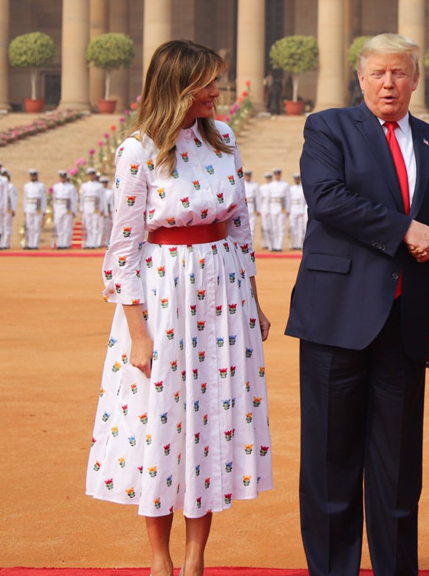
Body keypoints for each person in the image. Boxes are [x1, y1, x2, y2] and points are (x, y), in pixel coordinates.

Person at [86, 38, 272, 576]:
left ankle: (196, 559)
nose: (218, 91)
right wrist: (137, 332)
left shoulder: (225, 140)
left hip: (224, 292)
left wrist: (254, 301)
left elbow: (240, 226)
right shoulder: (138, 149)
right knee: (162, 422)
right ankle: (159, 560)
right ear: (179, 86)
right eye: (209, 82)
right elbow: (122, 247)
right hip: (165, 293)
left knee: (212, 416)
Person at [285, 32, 429, 576]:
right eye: (378, 73)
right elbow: (329, 200)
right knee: (330, 461)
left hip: (407, 323)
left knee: (398, 468)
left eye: (399, 73)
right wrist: (403, 229)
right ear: (360, 78)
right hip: (337, 316)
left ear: (415, 79)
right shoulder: (329, 128)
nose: (389, 83)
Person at [264, 169, 289, 252]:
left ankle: (280, 246)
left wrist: (288, 210)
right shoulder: (270, 185)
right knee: (273, 228)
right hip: (272, 207)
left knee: (281, 227)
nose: (277, 176)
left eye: (278, 174)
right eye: (276, 174)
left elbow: (288, 198)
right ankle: (274, 245)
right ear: (274, 175)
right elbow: (267, 199)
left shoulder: (285, 184)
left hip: (281, 207)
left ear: (280, 175)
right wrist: (267, 210)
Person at [51, 170, 77, 249]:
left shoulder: (71, 187)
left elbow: (74, 199)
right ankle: (60, 243)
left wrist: (74, 210)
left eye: (64, 177)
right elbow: (54, 199)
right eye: (61, 177)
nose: (63, 179)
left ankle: (66, 243)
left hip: (67, 207)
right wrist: (54, 210)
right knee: (59, 226)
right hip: (59, 207)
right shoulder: (56, 186)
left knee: (67, 226)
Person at [22, 169, 47, 250]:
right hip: (29, 206)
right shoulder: (26, 186)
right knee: (29, 226)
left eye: (34, 175)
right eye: (31, 175)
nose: (33, 177)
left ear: (37, 176)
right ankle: (30, 243)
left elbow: (43, 198)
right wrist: (24, 209)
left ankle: (35, 244)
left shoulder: (41, 186)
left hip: (38, 207)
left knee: (37, 226)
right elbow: (25, 198)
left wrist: (43, 209)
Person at [288, 173, 307, 251]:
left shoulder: (303, 188)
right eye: (296, 179)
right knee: (293, 227)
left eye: (298, 179)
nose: (297, 180)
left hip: (301, 210)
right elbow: (288, 200)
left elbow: (304, 200)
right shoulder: (291, 189)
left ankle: (299, 244)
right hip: (293, 209)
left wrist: (303, 210)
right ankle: (294, 244)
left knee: (300, 228)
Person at [2, 169, 18, 248]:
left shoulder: (10, 186)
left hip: (8, 208)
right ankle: (0, 243)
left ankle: (6, 243)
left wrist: (13, 209)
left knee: (7, 226)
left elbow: (13, 198)